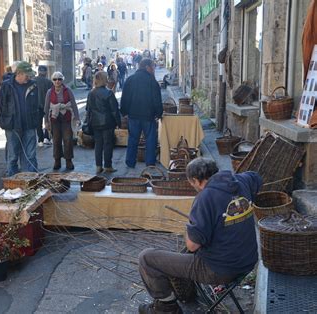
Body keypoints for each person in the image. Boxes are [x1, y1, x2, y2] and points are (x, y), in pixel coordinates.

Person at [138, 158, 262, 314]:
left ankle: (166, 308)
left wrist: (188, 228)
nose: (192, 186)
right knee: (184, 252)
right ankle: (186, 294)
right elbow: (257, 178)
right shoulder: (241, 180)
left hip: (220, 270)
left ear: (196, 180)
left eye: (191, 183)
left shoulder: (205, 198)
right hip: (248, 261)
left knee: (146, 258)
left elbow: (192, 245)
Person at [0, 61, 42, 176]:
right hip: (12, 126)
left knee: (30, 155)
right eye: (27, 75)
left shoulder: (33, 85)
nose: (29, 77)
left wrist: (37, 121)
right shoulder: (7, 86)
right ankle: (12, 182)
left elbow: (37, 105)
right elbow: (0, 106)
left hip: (29, 125)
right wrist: (3, 122)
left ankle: (31, 181)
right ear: (19, 73)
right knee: (13, 156)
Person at [120, 58, 162, 168]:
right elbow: (157, 99)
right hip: (148, 116)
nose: (154, 69)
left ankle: (130, 162)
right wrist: (159, 113)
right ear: (147, 67)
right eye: (153, 67)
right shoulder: (152, 81)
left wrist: (124, 111)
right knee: (150, 139)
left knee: (133, 138)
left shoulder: (130, 80)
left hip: (133, 115)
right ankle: (150, 162)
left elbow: (125, 98)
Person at [85, 71, 121, 174]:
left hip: (95, 122)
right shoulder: (108, 92)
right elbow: (114, 110)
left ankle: (98, 166)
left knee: (98, 144)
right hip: (107, 122)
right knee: (108, 144)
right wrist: (118, 123)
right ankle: (108, 166)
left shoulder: (91, 93)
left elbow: (88, 108)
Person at [44, 72, 80, 171]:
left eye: (59, 79)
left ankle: (69, 160)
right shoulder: (49, 92)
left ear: (62, 80)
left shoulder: (68, 91)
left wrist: (77, 118)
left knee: (68, 140)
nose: (57, 81)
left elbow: (73, 104)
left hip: (66, 118)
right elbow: (46, 108)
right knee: (56, 140)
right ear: (52, 81)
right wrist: (46, 121)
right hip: (54, 119)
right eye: (55, 79)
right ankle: (57, 160)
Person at [34, 65, 53, 146]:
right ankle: (46, 138)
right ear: (46, 72)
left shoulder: (33, 81)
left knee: (38, 124)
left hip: (36, 105)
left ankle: (40, 140)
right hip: (47, 105)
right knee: (48, 121)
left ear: (38, 71)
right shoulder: (49, 82)